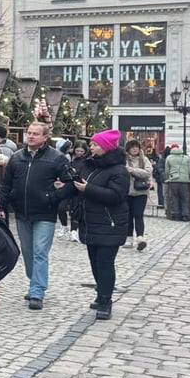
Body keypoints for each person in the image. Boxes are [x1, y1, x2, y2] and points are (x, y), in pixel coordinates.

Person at [0, 121, 71, 310]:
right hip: (22, 212)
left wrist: (53, 197)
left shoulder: (57, 158)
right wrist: (1, 205)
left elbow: (71, 184)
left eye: (35, 134)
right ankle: (34, 282)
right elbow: (6, 185)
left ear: (45, 137)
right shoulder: (16, 158)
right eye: (29, 132)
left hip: (45, 213)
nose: (30, 136)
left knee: (40, 251)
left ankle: (37, 291)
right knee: (28, 252)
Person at [59, 129, 129, 321]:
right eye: (91, 144)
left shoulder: (119, 170)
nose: (91, 147)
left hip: (110, 223)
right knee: (95, 263)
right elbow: (78, 185)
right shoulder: (90, 166)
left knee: (105, 264)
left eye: (95, 144)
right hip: (90, 223)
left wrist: (88, 189)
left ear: (106, 147)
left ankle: (106, 301)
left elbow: (116, 196)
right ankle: (101, 294)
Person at [124, 139, 152, 251]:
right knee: (128, 216)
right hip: (127, 192)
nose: (135, 149)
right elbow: (123, 170)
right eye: (132, 147)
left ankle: (140, 237)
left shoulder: (144, 159)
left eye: (136, 147)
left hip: (141, 192)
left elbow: (148, 173)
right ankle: (129, 238)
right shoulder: (124, 160)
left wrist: (134, 170)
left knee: (138, 215)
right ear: (128, 149)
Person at [163, 143, 190, 221]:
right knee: (184, 198)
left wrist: (167, 178)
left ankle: (176, 214)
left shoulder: (169, 158)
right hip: (185, 181)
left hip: (173, 181)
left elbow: (167, 171)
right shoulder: (186, 158)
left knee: (174, 198)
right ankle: (185, 215)